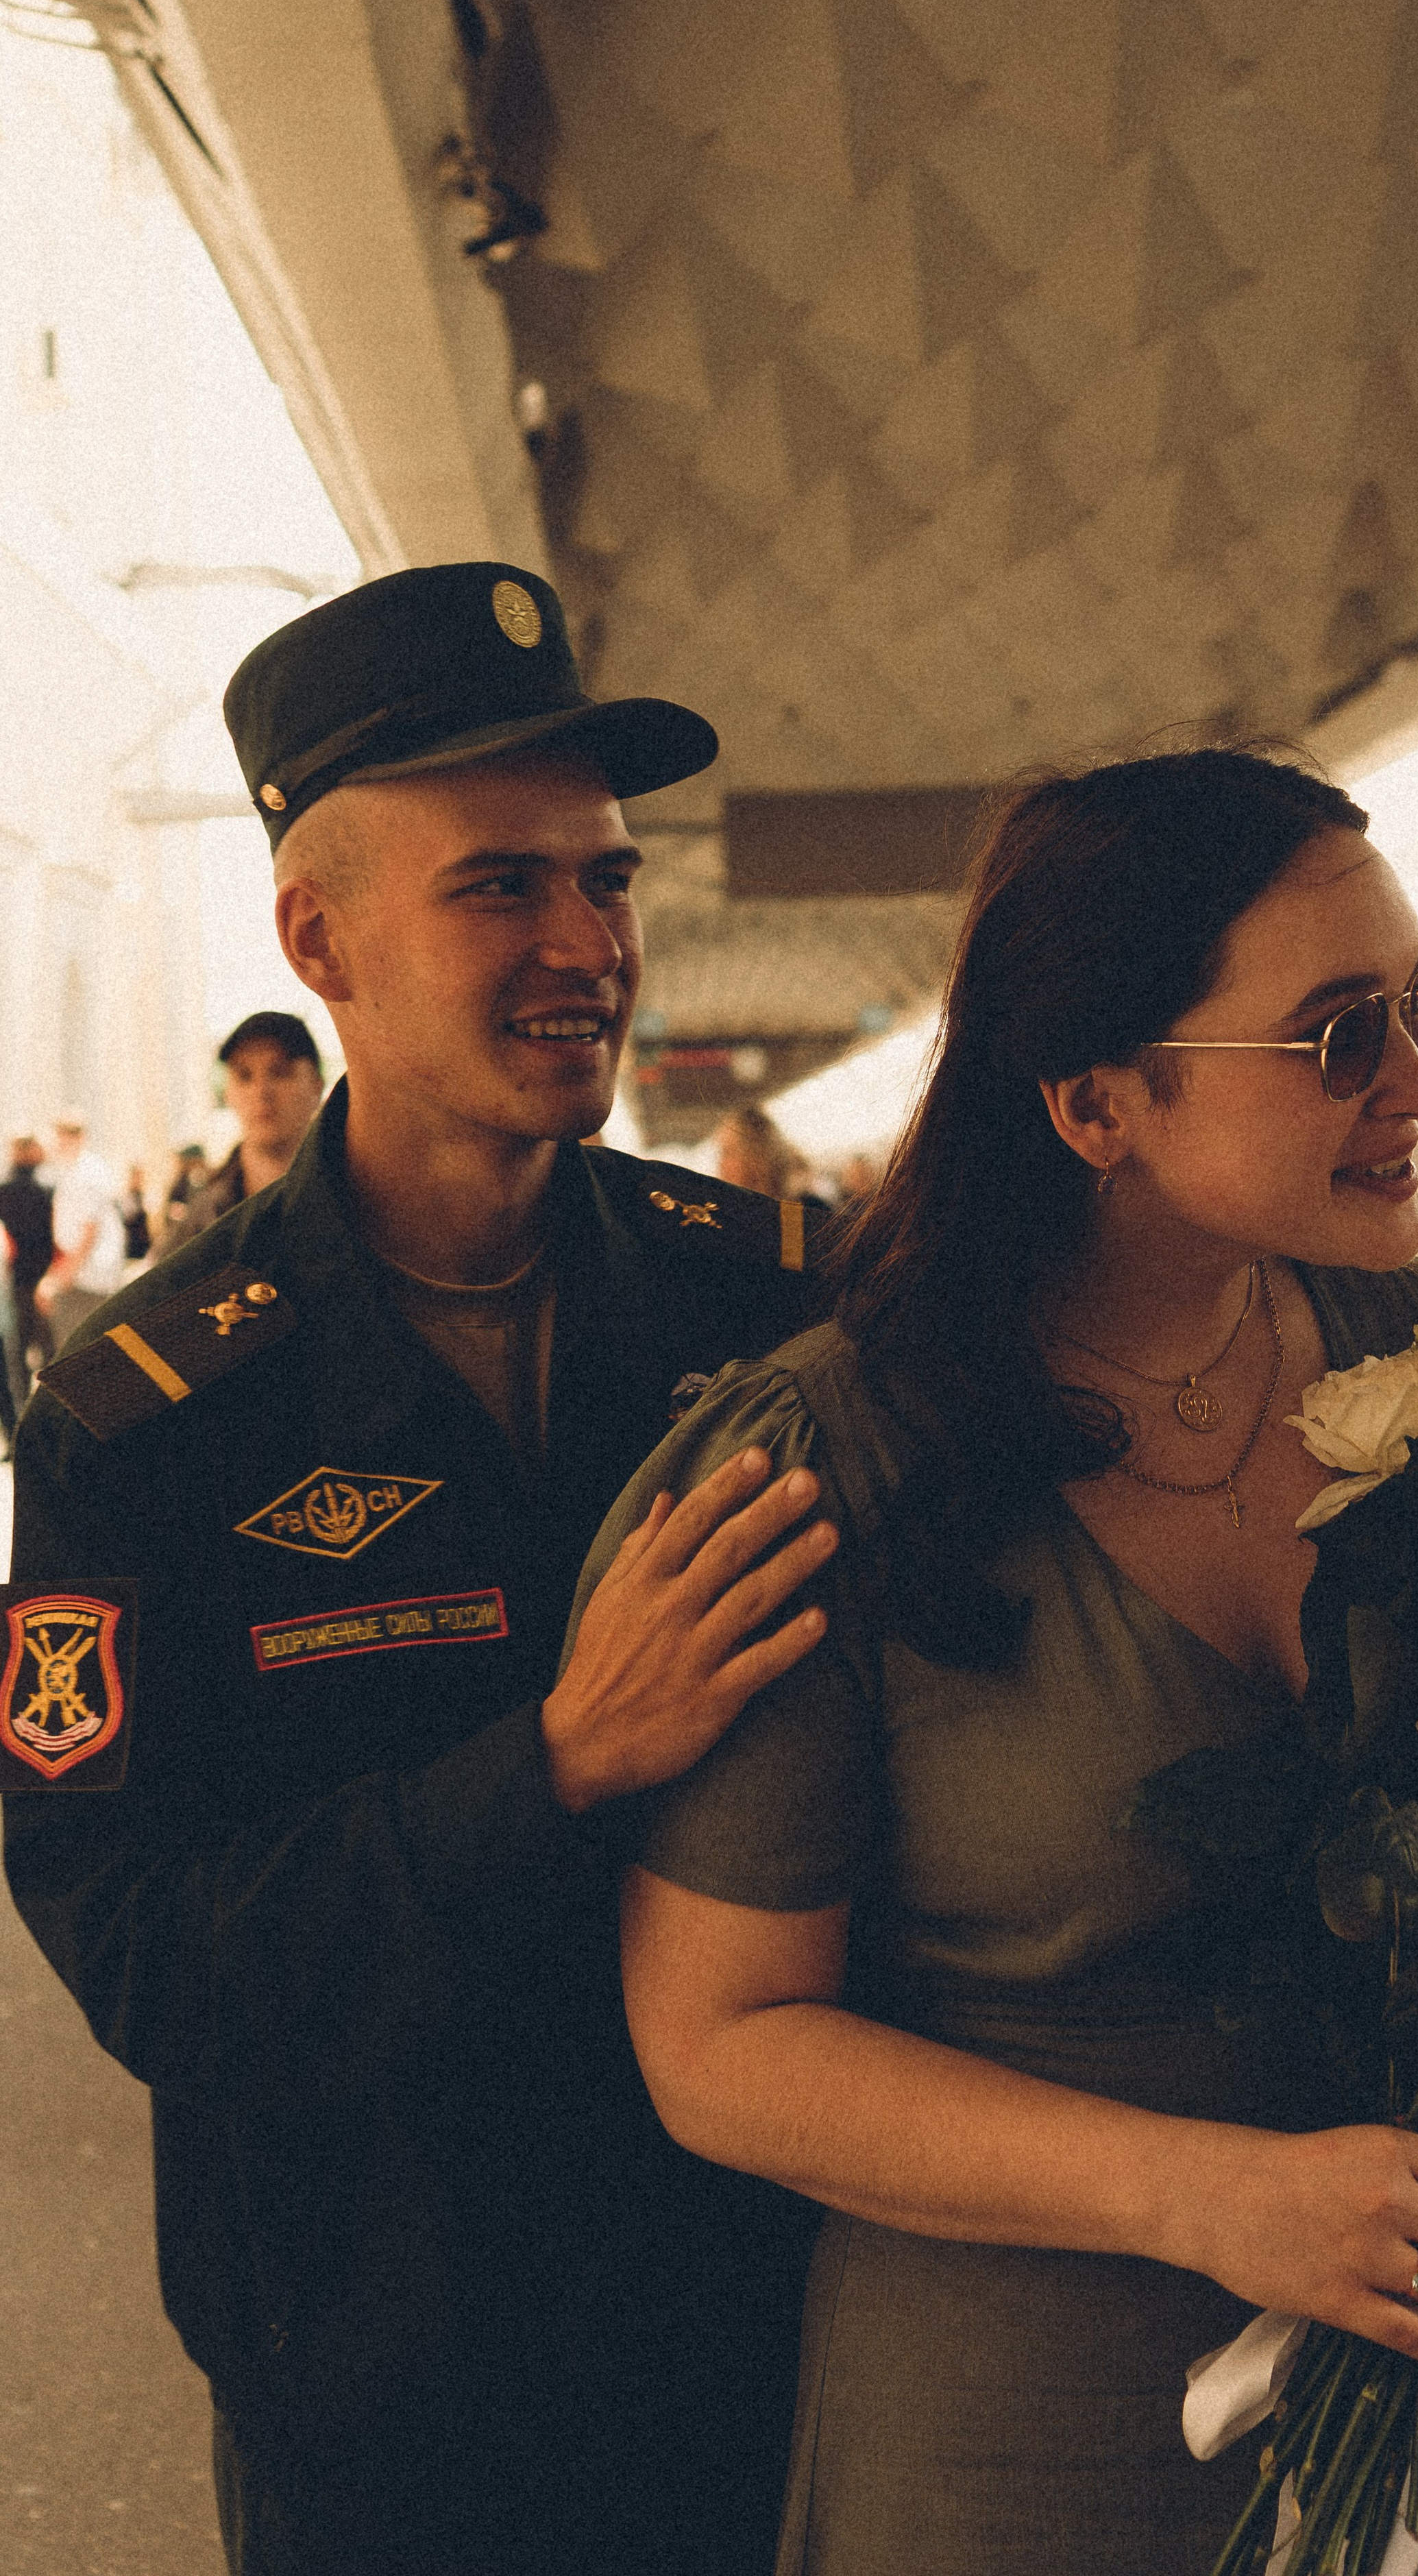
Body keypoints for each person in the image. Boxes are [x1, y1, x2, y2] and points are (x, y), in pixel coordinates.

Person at [581, 749, 1418, 2576]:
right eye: (1339, 1035)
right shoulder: (833, 1464)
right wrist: (1202, 2194)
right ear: (1097, 1102)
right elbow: (716, 2044)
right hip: (1037, 2460)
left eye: (1417, 1006)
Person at [3, 562, 840, 2576]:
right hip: (392, 2404)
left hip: (761, 2348)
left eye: (609, 882)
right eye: (503, 888)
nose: (586, 944)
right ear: (321, 935)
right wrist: (549, 1761)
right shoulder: (149, 1414)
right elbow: (154, 1954)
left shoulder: (781, 1314)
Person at [151, 1011, 328, 1259]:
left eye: (280, 1072)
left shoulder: (356, 1201)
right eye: (244, 1075)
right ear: (228, 1093)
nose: (261, 1092)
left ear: (316, 1086)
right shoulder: (203, 1218)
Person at [39, 1111, 125, 1350]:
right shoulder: (78, 1170)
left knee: (77, 1354)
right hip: (82, 1275)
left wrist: (60, 1280)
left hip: (86, 1280)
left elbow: (89, 1233)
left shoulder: (86, 1174)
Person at [0, 1134, 54, 1413]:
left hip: (21, 1280)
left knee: (18, 1355)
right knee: (49, 1353)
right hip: (44, 1279)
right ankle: (50, 1414)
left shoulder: (5, 1188)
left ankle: (24, 1415)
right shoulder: (47, 1187)